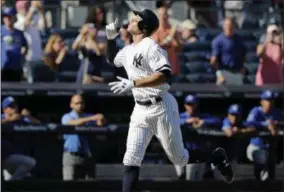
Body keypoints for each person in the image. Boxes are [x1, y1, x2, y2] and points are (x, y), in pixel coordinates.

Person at [105, 9, 234, 192]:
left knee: (179, 158)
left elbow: (165, 75)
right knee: (131, 159)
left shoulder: (151, 47)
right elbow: (112, 59)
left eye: (137, 18)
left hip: (161, 107)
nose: (132, 19)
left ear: (144, 27)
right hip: (140, 110)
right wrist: (110, 39)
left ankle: (216, 157)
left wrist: (134, 83)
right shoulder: (128, 50)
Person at [61, 94, 105, 180]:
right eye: (76, 103)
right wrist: (92, 118)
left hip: (87, 155)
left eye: (81, 103)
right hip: (71, 154)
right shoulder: (67, 116)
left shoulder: (88, 116)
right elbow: (71, 123)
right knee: (69, 185)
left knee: (89, 185)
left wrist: (100, 119)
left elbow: (101, 125)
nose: (79, 105)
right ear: (71, 105)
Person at [177, 95, 221, 181]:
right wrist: (186, 121)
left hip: (200, 151)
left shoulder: (201, 116)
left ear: (196, 105)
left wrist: (203, 121)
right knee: (188, 180)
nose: (191, 106)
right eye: (189, 104)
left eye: (193, 104)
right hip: (186, 152)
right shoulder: (180, 116)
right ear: (185, 105)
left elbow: (218, 120)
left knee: (198, 181)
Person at [246, 90, 283, 181]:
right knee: (262, 158)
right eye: (267, 100)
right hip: (256, 147)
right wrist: (266, 124)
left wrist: (276, 125)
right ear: (262, 101)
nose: (269, 102)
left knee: (271, 174)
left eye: (271, 100)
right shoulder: (256, 111)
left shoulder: (277, 113)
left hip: (270, 149)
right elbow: (248, 123)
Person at [210, 17, 247, 85]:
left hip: (237, 72)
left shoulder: (239, 40)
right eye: (226, 25)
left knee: (238, 94)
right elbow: (213, 60)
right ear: (223, 27)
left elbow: (244, 54)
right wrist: (219, 74)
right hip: (224, 72)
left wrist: (243, 67)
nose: (229, 27)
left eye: (231, 25)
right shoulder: (218, 41)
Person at [152, 5, 182, 76]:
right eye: (160, 15)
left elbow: (179, 49)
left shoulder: (172, 29)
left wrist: (176, 38)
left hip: (172, 67)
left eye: (165, 14)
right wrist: (171, 36)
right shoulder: (154, 30)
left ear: (168, 16)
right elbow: (157, 47)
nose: (163, 17)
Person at [1, 7, 28, 82]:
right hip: (3, 67)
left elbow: (25, 46)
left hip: (16, 67)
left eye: (10, 16)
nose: (8, 19)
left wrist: (22, 56)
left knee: (17, 91)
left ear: (14, 18)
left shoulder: (19, 33)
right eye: (6, 17)